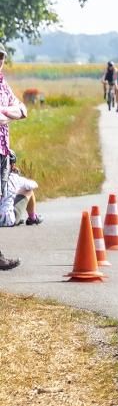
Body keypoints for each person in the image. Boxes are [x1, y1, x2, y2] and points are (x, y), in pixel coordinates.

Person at [0, 44, 25, 269]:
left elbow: (22, 109)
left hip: (2, 151)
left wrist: (7, 113)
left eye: (1, 57)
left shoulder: (3, 84)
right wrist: (9, 114)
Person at [0, 151, 41, 226]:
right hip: (7, 220)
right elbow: (34, 185)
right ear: (12, 165)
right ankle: (33, 218)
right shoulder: (14, 177)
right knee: (28, 190)